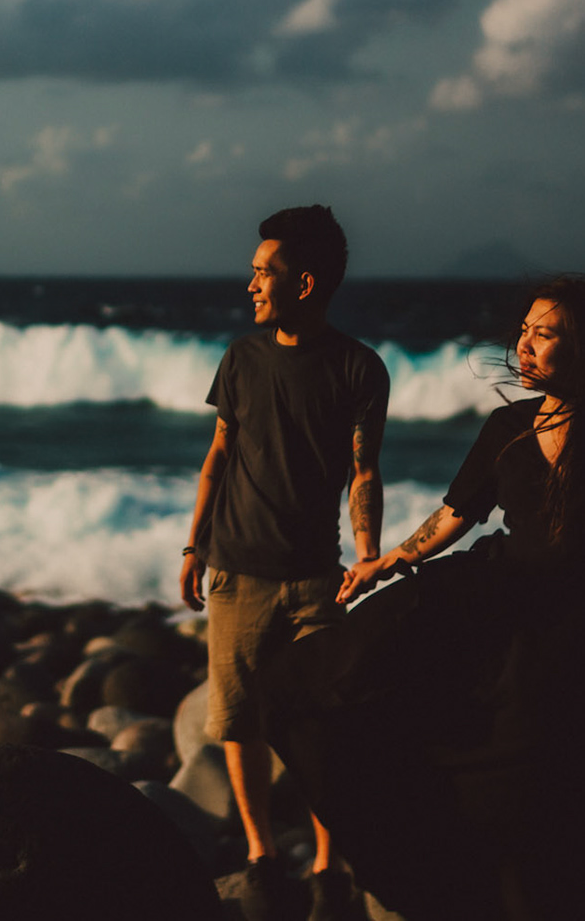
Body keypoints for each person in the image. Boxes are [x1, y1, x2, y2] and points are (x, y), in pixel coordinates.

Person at [265, 274, 585, 921]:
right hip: (512, 642)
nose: (523, 345)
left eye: (542, 334)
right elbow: (453, 516)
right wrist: (389, 560)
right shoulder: (508, 427)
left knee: (581, 819)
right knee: (494, 801)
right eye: (522, 330)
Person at [179, 205, 392, 921]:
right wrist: (193, 544)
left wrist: (369, 555)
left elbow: (366, 472)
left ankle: (330, 865)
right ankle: (262, 854)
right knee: (236, 720)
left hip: (314, 578)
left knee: (325, 725)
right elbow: (219, 454)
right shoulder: (241, 357)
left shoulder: (359, 367)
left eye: (262, 272)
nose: (250, 285)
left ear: (303, 281)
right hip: (236, 570)